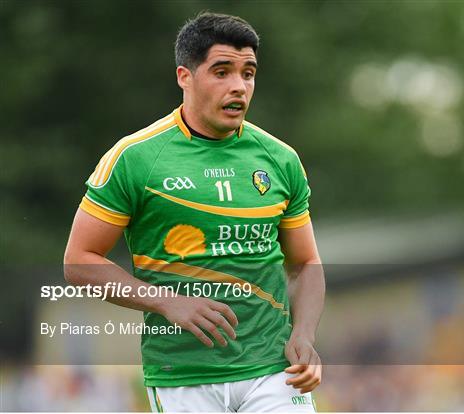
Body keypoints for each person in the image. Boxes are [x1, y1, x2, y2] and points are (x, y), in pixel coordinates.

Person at [64, 12, 325, 413]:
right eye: (222, 71)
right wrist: (169, 302)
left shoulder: (280, 159)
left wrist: (304, 334)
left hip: (274, 370)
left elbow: (306, 263)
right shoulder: (134, 159)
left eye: (248, 73)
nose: (239, 86)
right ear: (184, 76)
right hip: (183, 376)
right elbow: (79, 262)